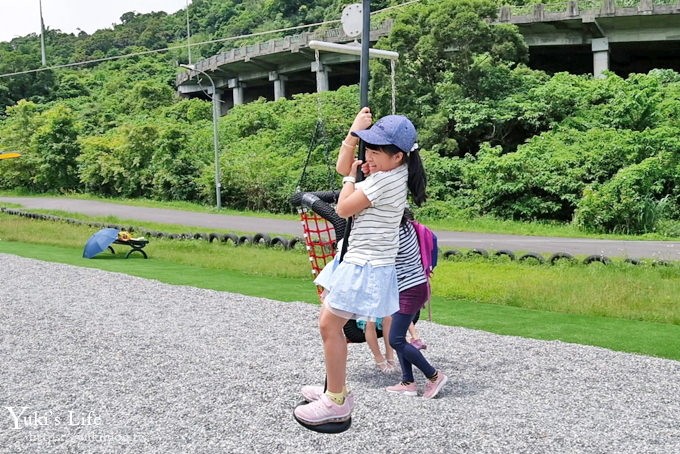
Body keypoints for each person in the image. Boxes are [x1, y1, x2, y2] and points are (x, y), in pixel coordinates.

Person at [294, 107, 426, 426]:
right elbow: (343, 167)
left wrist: (354, 177)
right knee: (329, 323)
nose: (371, 154)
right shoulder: (389, 172)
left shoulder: (383, 183)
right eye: (370, 147)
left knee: (329, 325)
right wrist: (354, 134)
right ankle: (333, 388)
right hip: (356, 260)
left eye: (377, 150)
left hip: (364, 265)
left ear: (398, 157)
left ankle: (336, 399)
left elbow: (343, 207)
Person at [386, 208, 447, 398]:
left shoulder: (393, 234)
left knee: (395, 339)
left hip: (409, 290)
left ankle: (434, 376)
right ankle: (408, 382)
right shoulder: (408, 227)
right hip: (417, 285)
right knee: (400, 336)